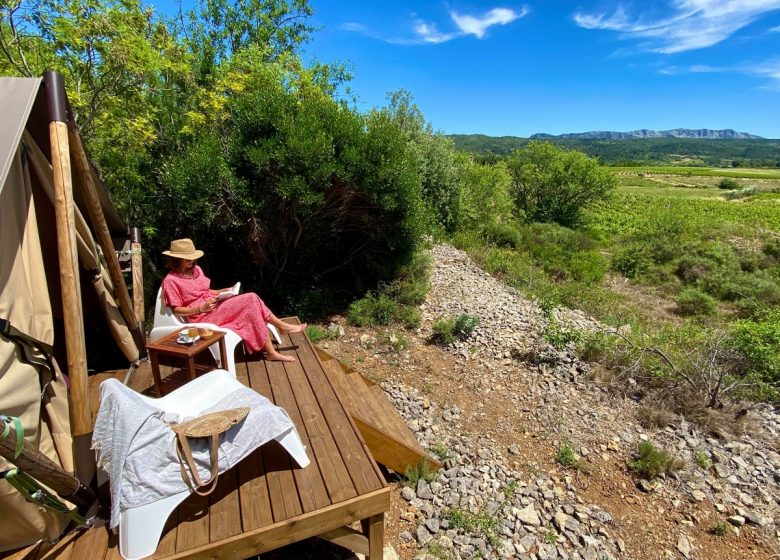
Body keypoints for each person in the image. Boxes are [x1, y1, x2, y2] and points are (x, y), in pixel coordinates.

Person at [161, 238, 306, 362]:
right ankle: (280, 331)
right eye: (188, 259)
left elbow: (204, 291)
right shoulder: (171, 281)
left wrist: (221, 291)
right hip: (201, 316)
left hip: (213, 305)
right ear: (176, 259)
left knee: (252, 301)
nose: (192, 261)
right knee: (251, 299)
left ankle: (273, 346)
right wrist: (200, 309)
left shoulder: (196, 270)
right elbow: (176, 310)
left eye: (193, 258)